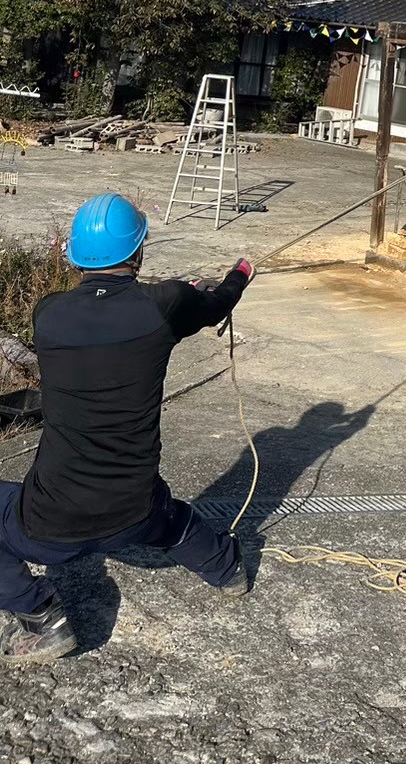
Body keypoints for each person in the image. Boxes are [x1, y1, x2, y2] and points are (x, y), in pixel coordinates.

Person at [0, 192, 255, 664]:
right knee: (170, 518)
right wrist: (239, 274)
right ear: (138, 250)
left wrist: (177, 297)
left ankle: (40, 617)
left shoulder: (48, 313)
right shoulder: (167, 303)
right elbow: (215, 303)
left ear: (74, 256)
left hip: (50, 523)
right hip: (137, 511)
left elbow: (104, 316)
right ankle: (227, 568)